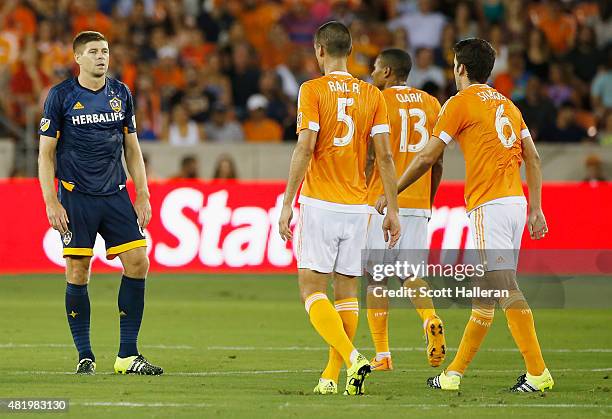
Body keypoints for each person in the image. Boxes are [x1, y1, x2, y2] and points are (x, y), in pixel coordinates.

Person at [377, 38, 553, 392]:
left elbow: (428, 157)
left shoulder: (459, 103)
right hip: (515, 204)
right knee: (485, 296)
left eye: (454, 63)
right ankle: (452, 375)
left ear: (460, 68)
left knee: (505, 289)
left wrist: (391, 191)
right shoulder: (507, 104)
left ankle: (538, 373)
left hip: (490, 205)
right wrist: (535, 208)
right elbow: (532, 158)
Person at [278, 21, 401, 396]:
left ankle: (350, 357)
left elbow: (305, 147)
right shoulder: (372, 95)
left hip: (320, 202)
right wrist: (392, 209)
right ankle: (331, 377)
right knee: (346, 292)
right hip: (358, 206)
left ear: (319, 50)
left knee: (311, 290)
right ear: (350, 51)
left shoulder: (311, 90)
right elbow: (384, 156)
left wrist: (287, 203)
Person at [38, 31, 163, 375]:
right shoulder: (60, 96)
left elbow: (132, 149)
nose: (101, 57)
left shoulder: (121, 93)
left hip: (114, 193)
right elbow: (46, 153)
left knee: (138, 261)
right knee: (79, 270)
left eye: (105, 51)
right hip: (75, 196)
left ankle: (127, 355)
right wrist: (52, 201)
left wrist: (143, 194)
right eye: (93, 51)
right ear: (77, 58)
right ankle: (85, 355)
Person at [365, 48, 446, 372]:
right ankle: (429, 317)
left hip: (382, 199)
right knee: (411, 274)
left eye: (374, 68)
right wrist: (428, 197)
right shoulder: (432, 104)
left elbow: (373, 156)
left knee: (375, 278)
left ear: (386, 72)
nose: (371, 74)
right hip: (417, 201)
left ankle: (383, 355)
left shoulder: (376, 100)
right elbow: (437, 160)